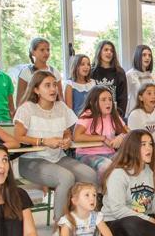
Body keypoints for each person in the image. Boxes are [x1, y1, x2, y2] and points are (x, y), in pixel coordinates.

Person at [14, 70, 97, 218]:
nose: (53, 89)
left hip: (58, 157)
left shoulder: (61, 107)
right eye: (47, 85)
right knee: (66, 177)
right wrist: (43, 141)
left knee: (90, 174)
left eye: (54, 85)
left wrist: (67, 139)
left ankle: (87, 221)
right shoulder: (26, 108)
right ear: (36, 89)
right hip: (31, 160)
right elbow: (18, 137)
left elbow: (67, 132)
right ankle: (60, 226)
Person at [54, 183, 127, 236]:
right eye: (87, 195)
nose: (92, 198)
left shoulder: (96, 216)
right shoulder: (67, 219)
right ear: (75, 201)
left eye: (94, 195)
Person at [73, 86, 129, 178]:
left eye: (110, 99)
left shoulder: (113, 115)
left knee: (129, 163)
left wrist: (121, 137)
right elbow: (76, 137)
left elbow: (129, 133)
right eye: (103, 100)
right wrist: (103, 138)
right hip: (87, 154)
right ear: (93, 102)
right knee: (106, 166)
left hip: (109, 153)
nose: (108, 102)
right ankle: (103, 192)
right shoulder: (88, 114)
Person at [126, 82, 155, 170]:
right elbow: (137, 141)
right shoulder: (135, 114)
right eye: (149, 93)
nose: (153, 96)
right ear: (140, 97)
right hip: (139, 148)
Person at [15, 37, 62, 107]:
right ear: (33, 52)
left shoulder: (55, 72)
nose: (46, 53)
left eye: (48, 50)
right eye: (42, 50)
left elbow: (60, 97)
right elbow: (20, 100)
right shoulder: (26, 72)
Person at [90, 40, 128, 113]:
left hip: (114, 113)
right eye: (106, 50)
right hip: (95, 113)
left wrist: (119, 114)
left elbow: (123, 97)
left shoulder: (119, 72)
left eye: (112, 51)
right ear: (99, 52)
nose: (109, 52)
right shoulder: (92, 72)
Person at [125, 45, 155, 116]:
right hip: (134, 112)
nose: (147, 58)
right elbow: (125, 97)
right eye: (144, 55)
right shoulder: (130, 74)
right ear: (138, 57)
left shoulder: (151, 75)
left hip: (149, 113)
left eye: (149, 55)